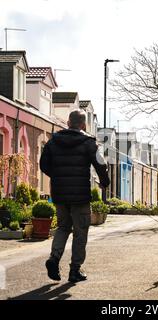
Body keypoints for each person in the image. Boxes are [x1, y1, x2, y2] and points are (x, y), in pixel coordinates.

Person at [40, 109, 110, 283]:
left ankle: (54, 258)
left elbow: (43, 164)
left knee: (63, 227)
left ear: (68, 122)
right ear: (84, 125)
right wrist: (104, 182)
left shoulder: (53, 141)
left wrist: (57, 176)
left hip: (59, 194)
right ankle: (74, 271)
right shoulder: (88, 143)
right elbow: (101, 164)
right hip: (80, 197)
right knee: (80, 233)